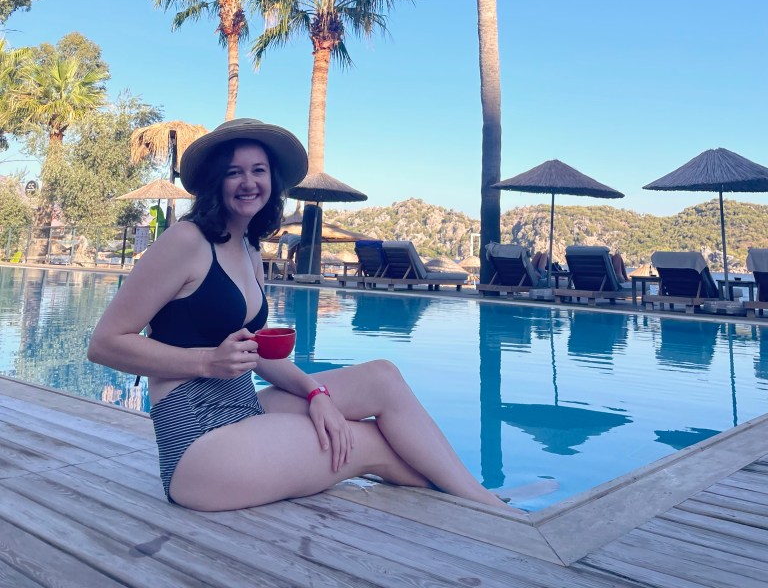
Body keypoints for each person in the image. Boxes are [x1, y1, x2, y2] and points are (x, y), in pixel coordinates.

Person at [88, 118, 510, 513]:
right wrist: (205, 361)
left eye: (259, 170)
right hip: (199, 446)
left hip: (244, 410)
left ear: (273, 181)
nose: (249, 182)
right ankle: (491, 510)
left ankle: (477, 497)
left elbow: (255, 354)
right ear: (217, 181)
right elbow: (104, 344)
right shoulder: (185, 241)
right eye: (234, 172)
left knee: (382, 377)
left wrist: (316, 394)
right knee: (369, 441)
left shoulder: (249, 249)